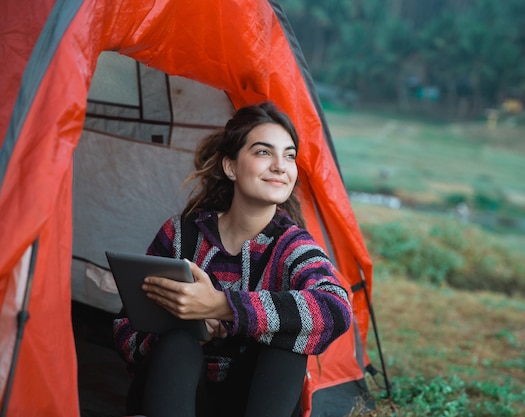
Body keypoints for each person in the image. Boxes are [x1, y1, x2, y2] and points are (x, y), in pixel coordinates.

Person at [112, 102, 352, 417]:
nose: (281, 166)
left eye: (289, 155)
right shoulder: (181, 235)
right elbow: (125, 332)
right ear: (231, 166)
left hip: (251, 402)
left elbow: (336, 307)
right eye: (264, 152)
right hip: (176, 394)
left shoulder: (292, 246)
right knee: (179, 341)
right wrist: (190, 328)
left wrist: (222, 306)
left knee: (288, 345)